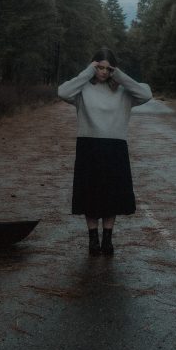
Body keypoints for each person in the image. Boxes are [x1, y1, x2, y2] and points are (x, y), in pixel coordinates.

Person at [58, 48, 152, 256]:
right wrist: (87, 72)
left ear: (113, 69)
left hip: (115, 148)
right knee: (90, 195)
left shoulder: (124, 91)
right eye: (99, 67)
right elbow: (62, 92)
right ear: (93, 66)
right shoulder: (82, 89)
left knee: (112, 196)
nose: (103, 72)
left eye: (107, 68)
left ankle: (107, 239)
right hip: (89, 146)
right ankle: (93, 239)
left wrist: (119, 75)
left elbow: (146, 94)